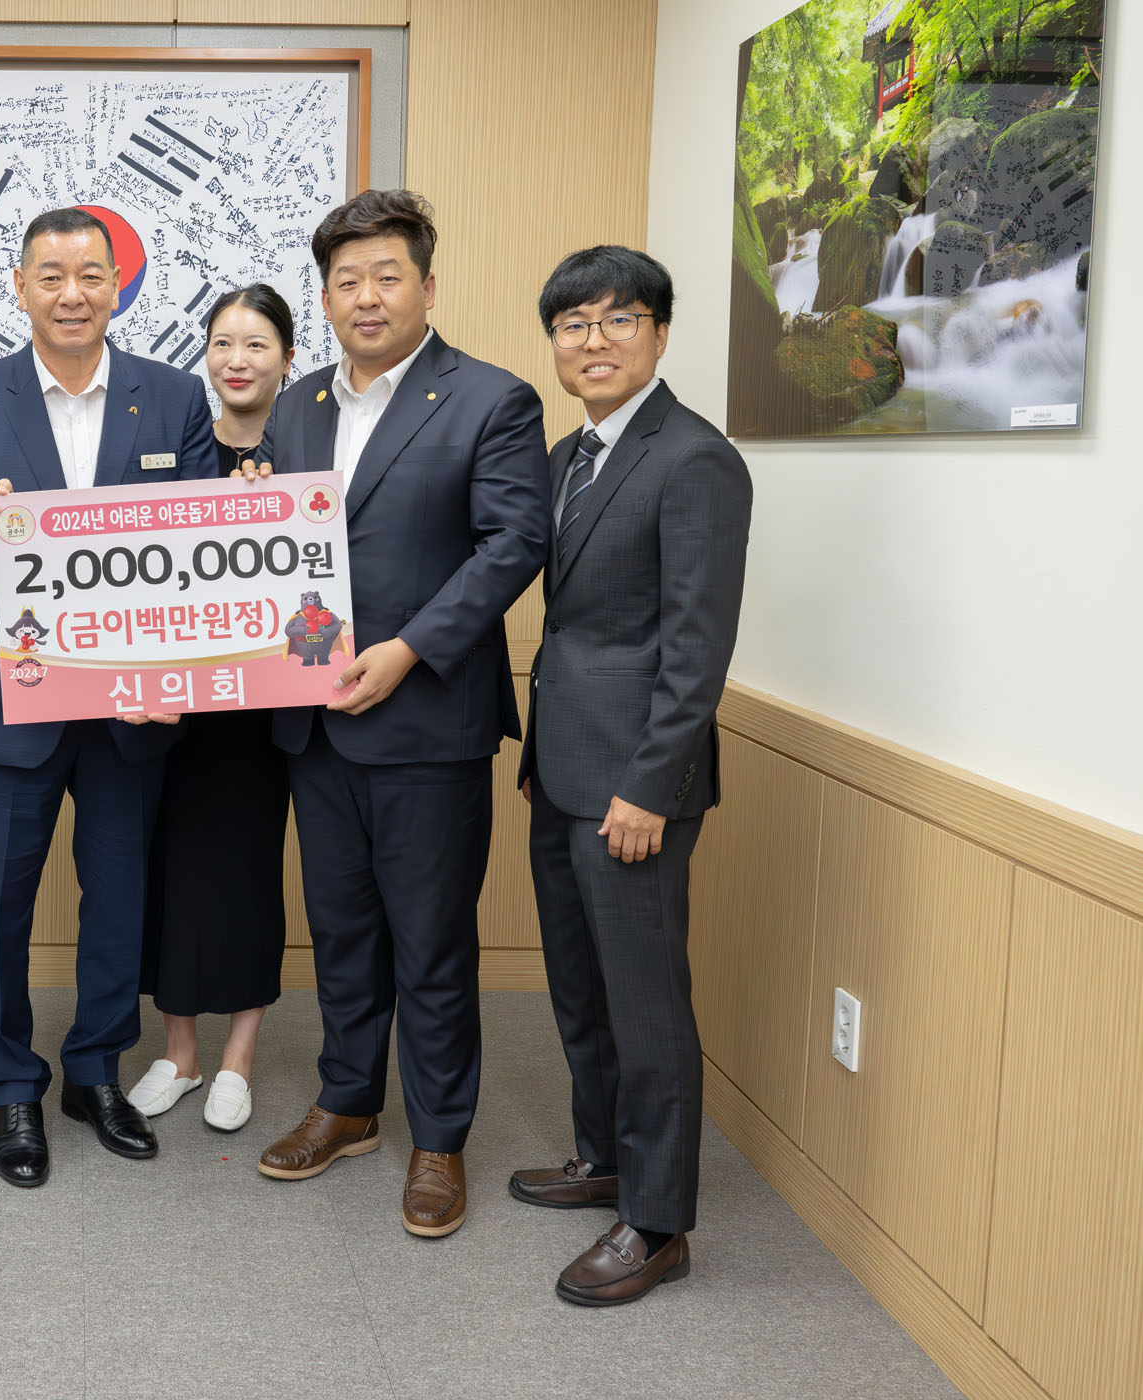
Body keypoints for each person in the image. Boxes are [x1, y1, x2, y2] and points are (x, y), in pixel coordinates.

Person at [240, 190, 550, 1238]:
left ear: (428, 285)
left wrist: (409, 648)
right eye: (346, 280)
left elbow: (512, 544)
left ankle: (441, 1135)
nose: (366, 297)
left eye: (387, 276)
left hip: (426, 721)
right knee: (341, 931)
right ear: (325, 297)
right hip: (315, 721)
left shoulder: (492, 399)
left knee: (431, 942)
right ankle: (348, 1101)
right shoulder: (296, 408)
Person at [0, 206, 220, 1188]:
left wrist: (182, 675)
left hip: (132, 705)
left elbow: (201, 550)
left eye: (90, 274)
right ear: (20, 288)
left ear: (116, 286)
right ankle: (12, 1086)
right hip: (11, 695)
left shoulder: (172, 396)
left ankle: (95, 1071)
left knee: (119, 900)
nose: (71, 293)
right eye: (50, 276)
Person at [513, 246, 752, 1305]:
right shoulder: (569, 454)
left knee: (647, 1007)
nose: (594, 341)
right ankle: (604, 1156)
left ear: (658, 332)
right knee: (582, 988)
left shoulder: (695, 459)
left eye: (618, 320)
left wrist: (653, 784)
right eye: (574, 324)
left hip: (634, 787)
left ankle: (656, 1222)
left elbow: (696, 648)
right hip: (561, 769)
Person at [127, 284, 298, 1133]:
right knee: (169, 873)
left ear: (288, 360)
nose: (237, 360)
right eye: (223, 343)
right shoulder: (174, 444)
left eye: (256, 344)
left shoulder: (308, 453)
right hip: (171, 709)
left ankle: (239, 1058)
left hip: (263, 715)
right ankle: (180, 1053)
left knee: (248, 873)